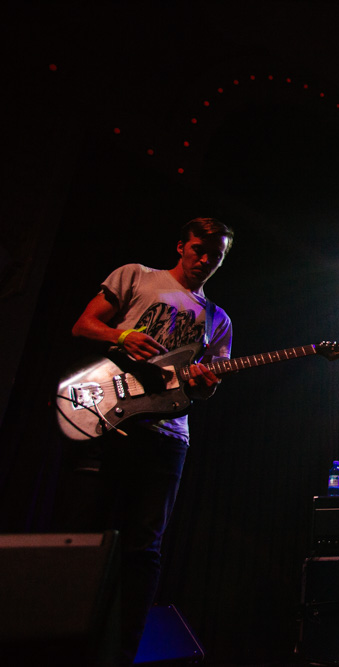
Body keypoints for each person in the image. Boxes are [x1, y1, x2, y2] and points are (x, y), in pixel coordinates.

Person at [61, 217, 235, 665]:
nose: (204, 260)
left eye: (215, 256)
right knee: (85, 534)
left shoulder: (218, 319)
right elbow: (83, 326)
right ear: (182, 245)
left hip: (168, 435)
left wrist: (205, 382)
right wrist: (121, 334)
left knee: (144, 548)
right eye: (199, 249)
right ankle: (62, 643)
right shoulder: (136, 276)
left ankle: (121, 653)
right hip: (110, 419)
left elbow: (208, 386)